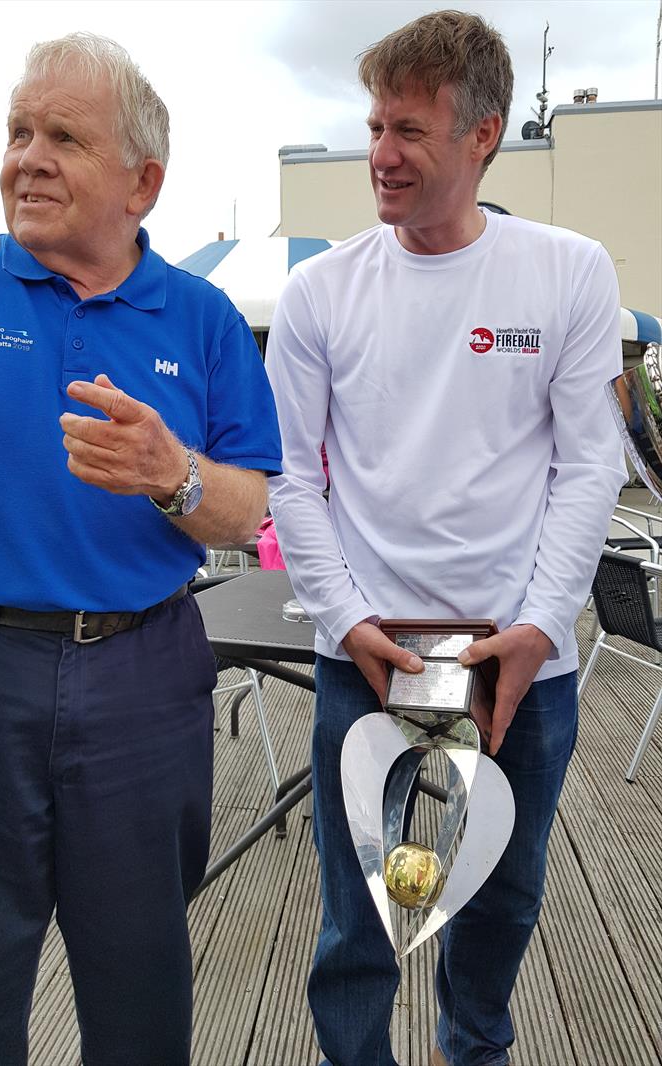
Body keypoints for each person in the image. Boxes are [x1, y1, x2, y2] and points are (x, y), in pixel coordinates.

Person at [0, 32, 281, 1066]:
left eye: (62, 136)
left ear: (142, 181)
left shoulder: (206, 316)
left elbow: (246, 511)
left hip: (144, 675)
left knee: (138, 988)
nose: (27, 157)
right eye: (17, 132)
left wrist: (169, 472)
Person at [264, 11, 626, 1066]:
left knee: (502, 900)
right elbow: (291, 474)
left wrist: (534, 625)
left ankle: (473, 1049)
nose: (379, 153)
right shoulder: (319, 290)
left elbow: (586, 464)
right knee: (355, 915)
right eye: (375, 124)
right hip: (361, 655)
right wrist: (344, 618)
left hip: (518, 660)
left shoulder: (565, 272)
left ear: (482, 137)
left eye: (409, 131)